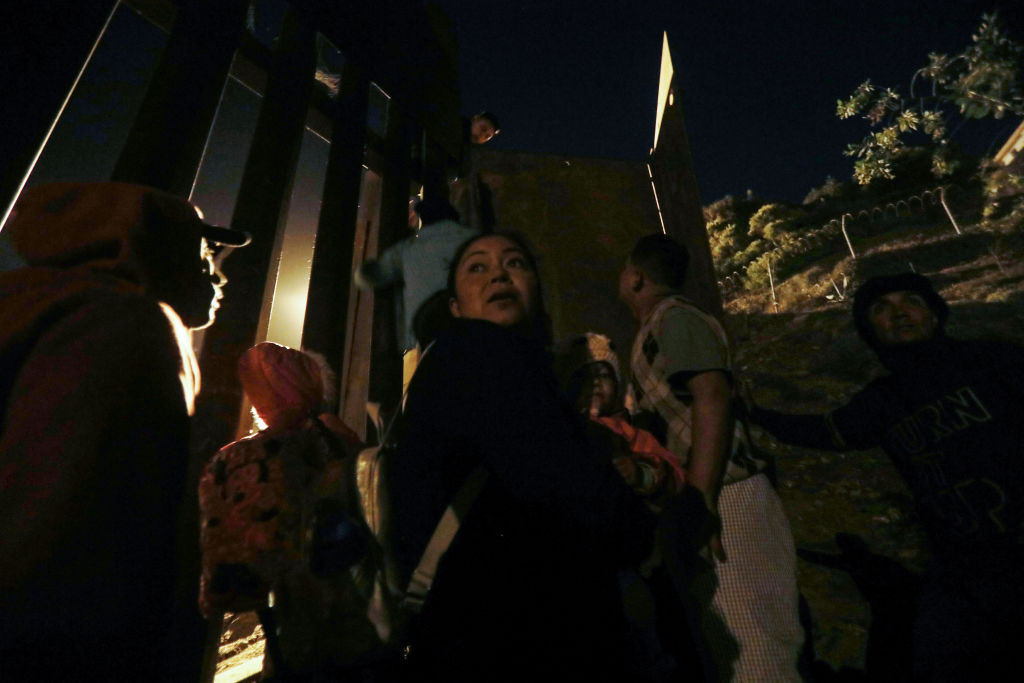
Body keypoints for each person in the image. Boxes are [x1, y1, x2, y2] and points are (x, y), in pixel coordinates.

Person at [0, 182, 249, 681]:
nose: (217, 273)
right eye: (202, 250)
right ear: (155, 245)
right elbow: (66, 545)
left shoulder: (36, 307)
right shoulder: (131, 323)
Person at [389, 232, 658, 681]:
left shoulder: (482, 369)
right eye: (477, 267)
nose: (498, 272)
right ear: (455, 307)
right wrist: (639, 525)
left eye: (515, 263)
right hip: (512, 649)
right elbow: (578, 490)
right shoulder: (476, 351)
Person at [747, 272, 1024, 682]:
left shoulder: (994, 361)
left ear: (933, 312)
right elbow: (827, 431)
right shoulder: (883, 400)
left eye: (909, 301)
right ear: (869, 330)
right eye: (882, 309)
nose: (898, 314)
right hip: (961, 566)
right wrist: (752, 414)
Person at [618, 234, 802, 682]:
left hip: (726, 494)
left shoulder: (675, 318)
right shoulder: (655, 329)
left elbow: (711, 396)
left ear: (636, 277)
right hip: (707, 496)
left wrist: (700, 500)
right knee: (729, 646)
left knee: (756, 647)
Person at [355, 196, 476, 388]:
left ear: (423, 220)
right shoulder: (474, 240)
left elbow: (367, 277)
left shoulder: (408, 249)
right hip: (474, 335)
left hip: (422, 345)